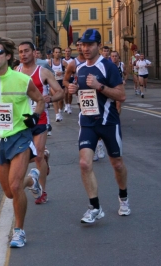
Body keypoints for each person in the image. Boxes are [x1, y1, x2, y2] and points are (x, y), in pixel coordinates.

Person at [0, 37, 45, 248]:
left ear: (8, 56)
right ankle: (32, 180)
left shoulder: (22, 80)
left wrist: (35, 117)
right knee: (9, 192)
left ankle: (19, 231)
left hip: (19, 135)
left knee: (14, 185)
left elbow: (39, 100)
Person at [67, 29, 130, 224]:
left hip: (108, 122)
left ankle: (124, 197)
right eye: (83, 45)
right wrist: (73, 90)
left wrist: (99, 86)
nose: (85, 48)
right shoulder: (79, 68)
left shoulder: (108, 67)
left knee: (117, 163)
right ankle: (95, 207)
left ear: (98, 46)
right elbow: (82, 95)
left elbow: (121, 95)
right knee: (85, 163)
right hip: (87, 122)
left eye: (90, 45)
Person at [17, 41, 64, 204]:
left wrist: (50, 98)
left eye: (26, 51)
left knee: (37, 155)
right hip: (21, 120)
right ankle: (45, 156)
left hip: (40, 118)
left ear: (34, 52)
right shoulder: (15, 72)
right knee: (23, 156)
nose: (23, 54)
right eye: (20, 52)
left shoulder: (43, 72)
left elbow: (60, 91)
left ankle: (42, 192)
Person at [48, 47, 68, 122]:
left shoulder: (63, 62)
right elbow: (46, 71)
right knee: (54, 97)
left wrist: (63, 72)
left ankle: (60, 110)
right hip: (53, 82)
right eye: (56, 52)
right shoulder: (50, 62)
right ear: (53, 53)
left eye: (59, 52)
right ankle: (57, 114)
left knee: (61, 99)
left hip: (61, 81)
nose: (57, 54)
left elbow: (69, 71)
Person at [63, 47, 75, 114]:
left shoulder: (73, 60)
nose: (67, 52)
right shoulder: (62, 60)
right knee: (65, 92)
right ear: (64, 52)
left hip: (71, 78)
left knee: (70, 94)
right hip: (64, 78)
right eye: (66, 51)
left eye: (69, 51)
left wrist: (68, 67)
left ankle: (69, 105)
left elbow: (74, 70)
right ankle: (66, 105)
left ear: (71, 52)